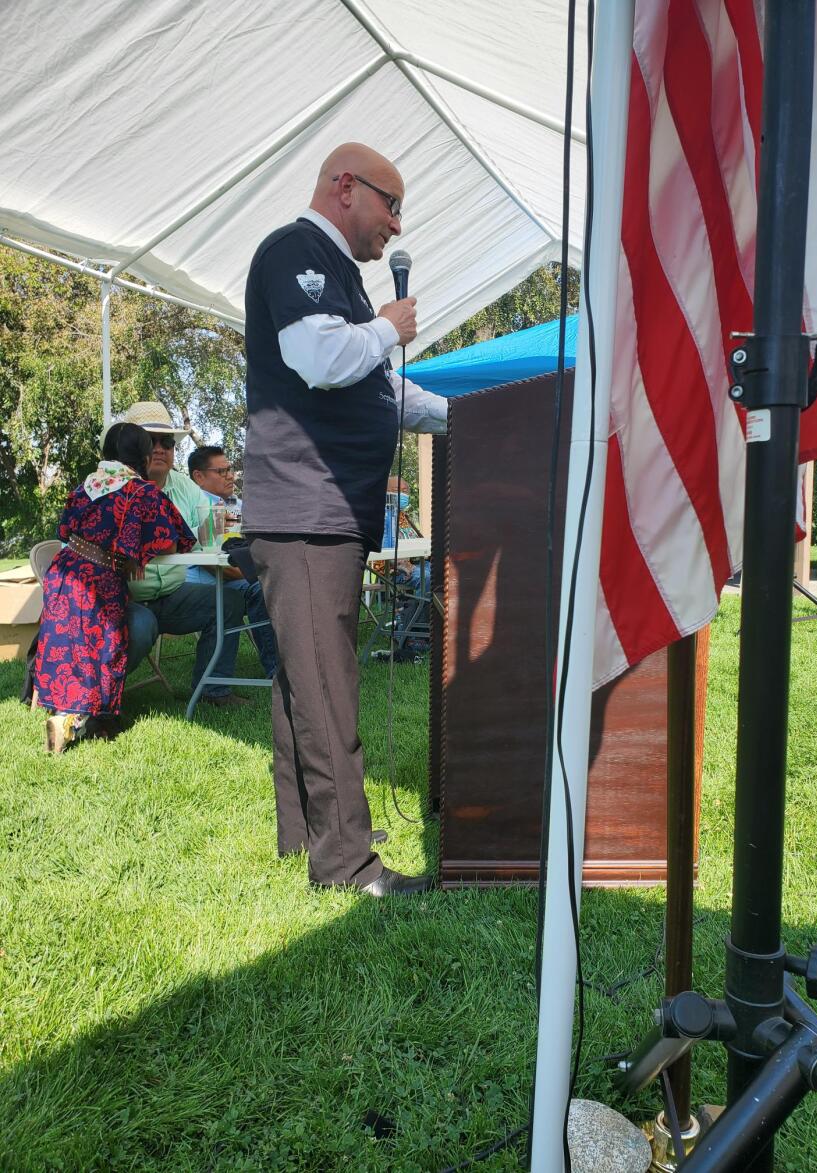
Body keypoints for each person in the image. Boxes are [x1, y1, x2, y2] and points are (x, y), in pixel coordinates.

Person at [243, 142, 448, 897]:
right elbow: (320, 360)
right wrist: (390, 326)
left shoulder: (346, 287)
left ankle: (311, 831)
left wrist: (471, 418)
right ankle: (347, 863)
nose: (396, 223)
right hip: (304, 509)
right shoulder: (296, 251)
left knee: (308, 675)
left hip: (323, 510)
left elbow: (377, 392)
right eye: (390, 203)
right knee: (328, 681)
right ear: (344, 187)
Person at [34, 422, 195, 753]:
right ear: (143, 454)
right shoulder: (142, 492)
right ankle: (92, 721)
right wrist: (134, 552)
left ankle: (62, 709)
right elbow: (174, 541)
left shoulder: (84, 486)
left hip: (64, 575)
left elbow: (65, 529)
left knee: (70, 646)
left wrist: (125, 548)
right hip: (99, 581)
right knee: (107, 648)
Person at [120, 401, 248, 706]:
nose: (161, 448)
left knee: (230, 601)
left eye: (168, 442)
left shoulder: (186, 489)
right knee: (140, 627)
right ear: (132, 446)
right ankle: (94, 694)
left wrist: (222, 538)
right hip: (125, 598)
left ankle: (212, 691)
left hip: (172, 593)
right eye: (151, 441)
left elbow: (205, 543)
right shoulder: (113, 486)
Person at [187, 445, 278, 678]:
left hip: (236, 575)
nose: (230, 476)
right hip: (202, 579)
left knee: (277, 585)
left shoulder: (237, 506)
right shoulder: (197, 505)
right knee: (262, 589)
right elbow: (207, 558)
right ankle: (278, 670)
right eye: (222, 471)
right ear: (199, 477)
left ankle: (288, 663)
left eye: (230, 470)